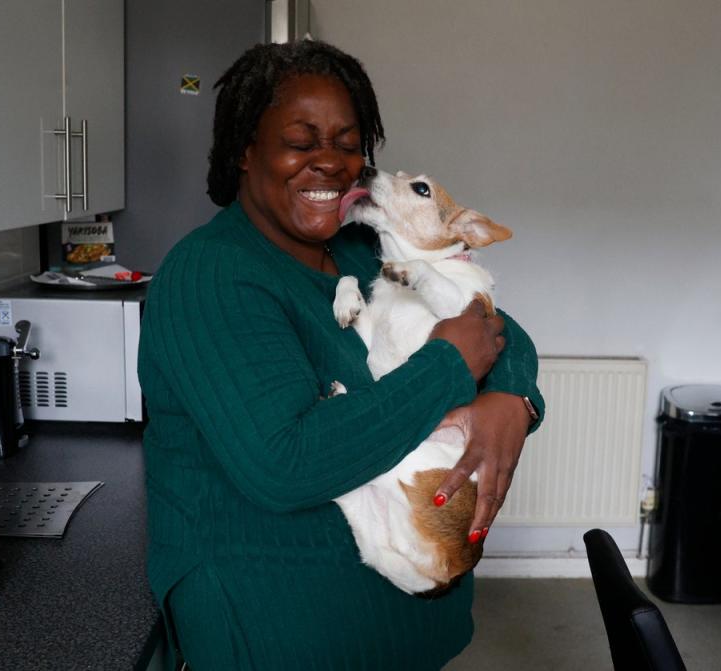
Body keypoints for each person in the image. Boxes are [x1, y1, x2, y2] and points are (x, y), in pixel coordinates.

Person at [137, 39, 544, 670]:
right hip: (278, 634)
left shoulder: (359, 249)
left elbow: (496, 326)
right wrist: (447, 369)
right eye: (301, 141)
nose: (329, 163)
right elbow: (284, 462)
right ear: (246, 150)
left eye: (348, 143)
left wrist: (510, 399)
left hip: (402, 626)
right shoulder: (210, 277)